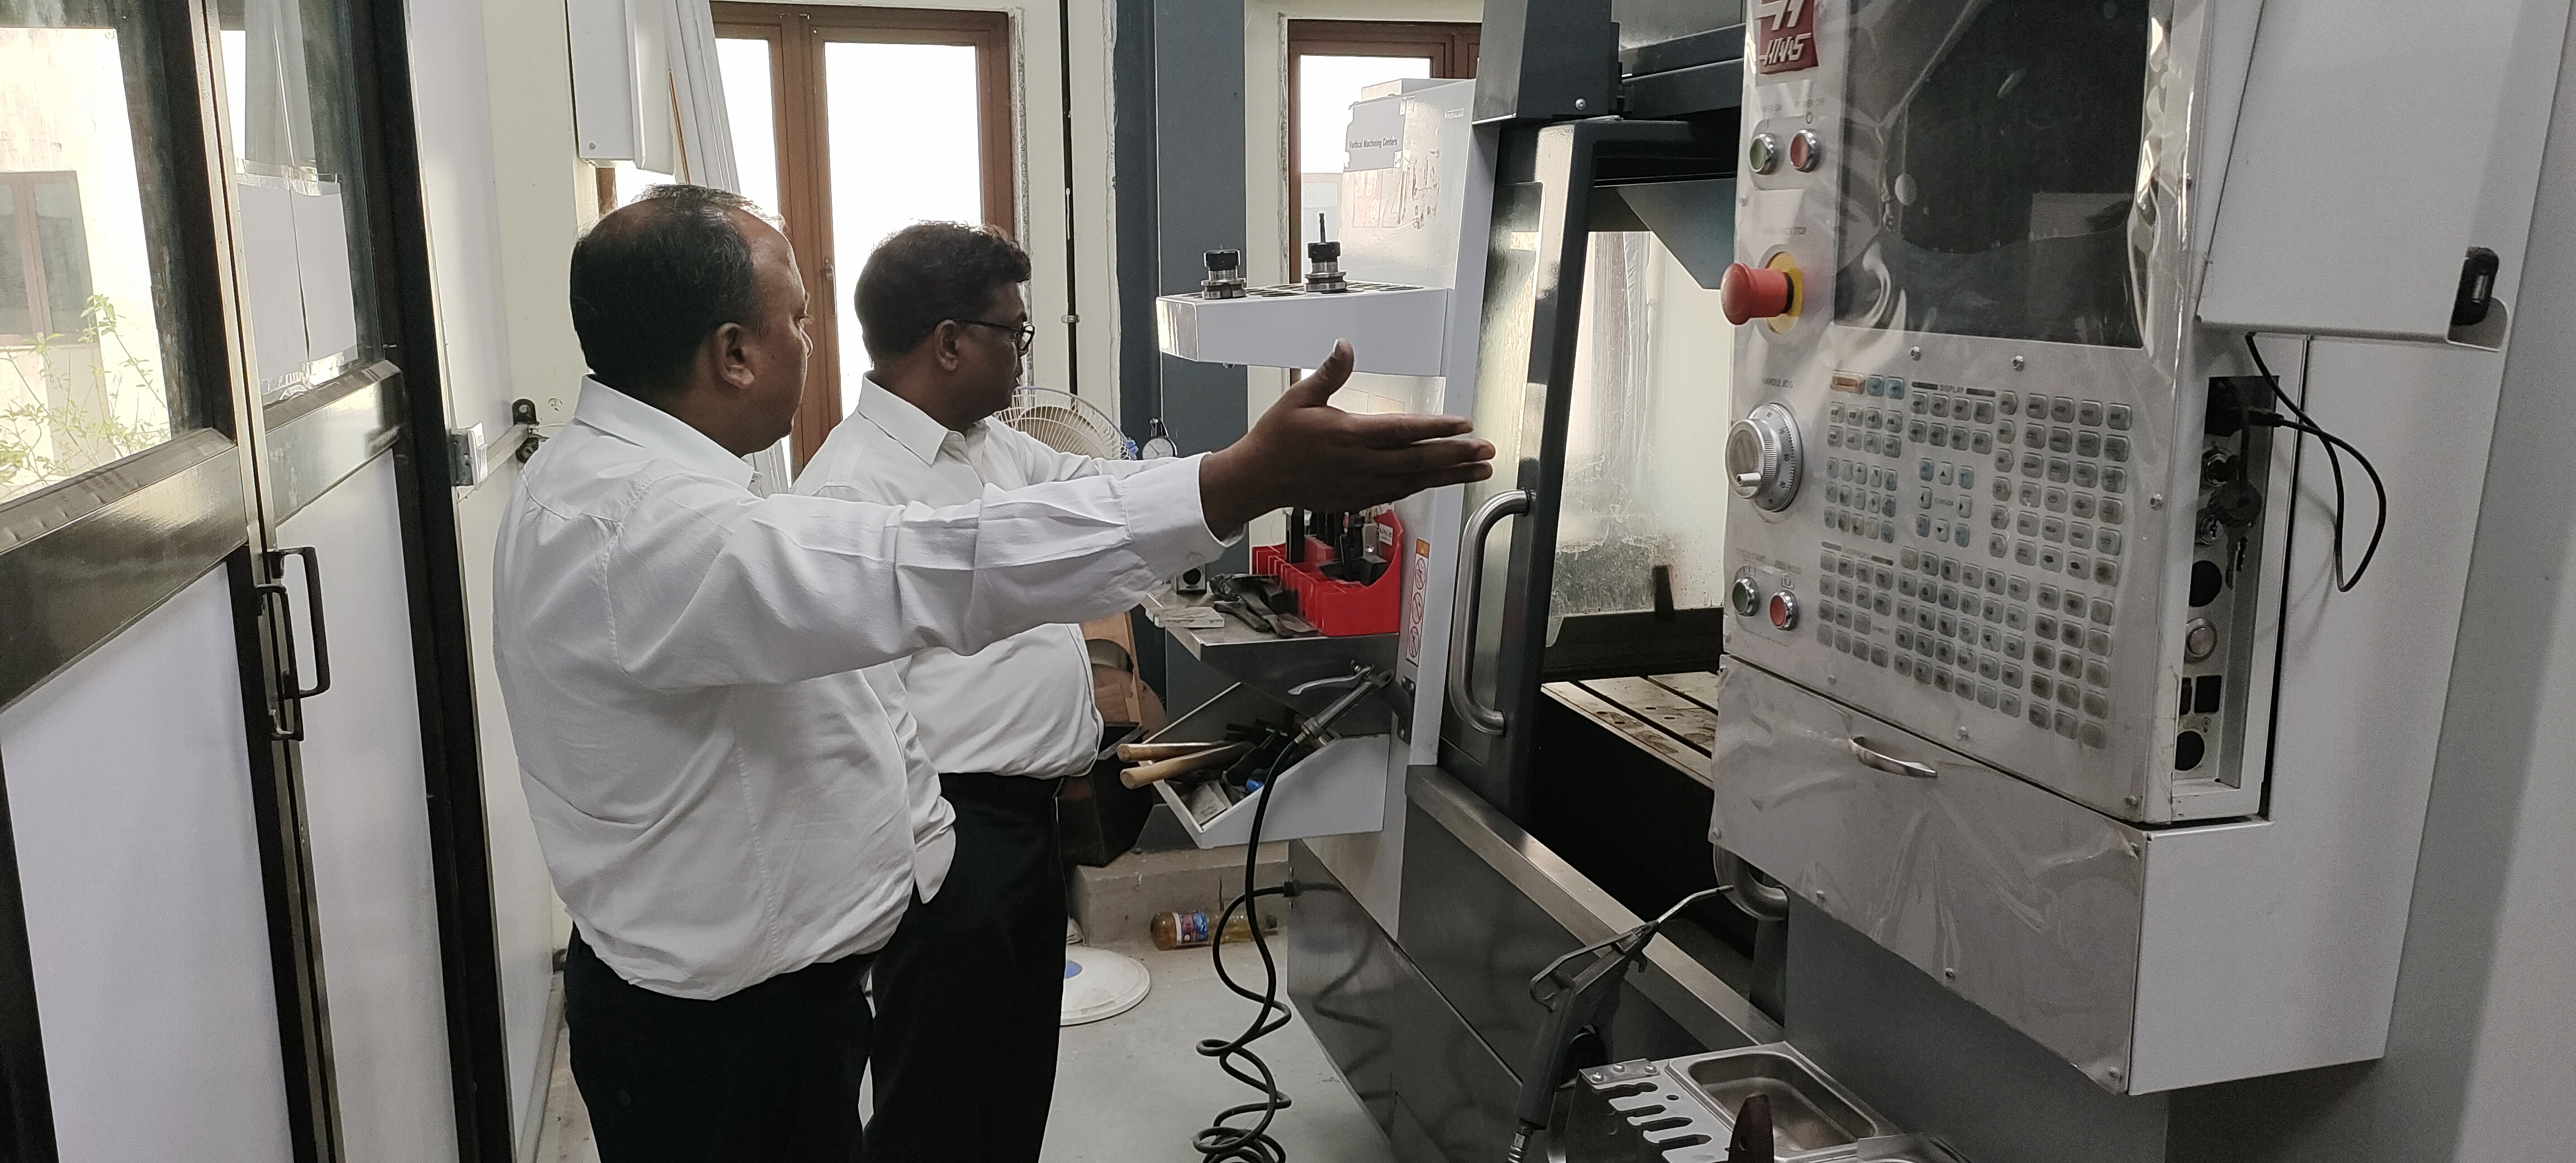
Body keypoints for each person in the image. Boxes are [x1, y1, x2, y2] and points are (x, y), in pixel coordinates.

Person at [490, 182, 1491, 1163]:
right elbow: (930, 570)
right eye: (794, 317)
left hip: (775, 995)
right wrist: (1240, 481)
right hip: (719, 1036)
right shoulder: (646, 527)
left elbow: (1038, 519)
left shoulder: (638, 487)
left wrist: (1224, 478)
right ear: (733, 353)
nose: (810, 340)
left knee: (997, 1100)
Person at [792, 221, 1133, 1160]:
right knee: (937, 1111)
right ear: (949, 342)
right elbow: (857, 711)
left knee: (1011, 1091)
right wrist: (936, 863)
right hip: (953, 839)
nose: (1023, 356)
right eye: (1013, 334)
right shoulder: (850, 492)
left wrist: (1237, 478)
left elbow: (1096, 494)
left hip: (1023, 830)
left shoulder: (991, 449)